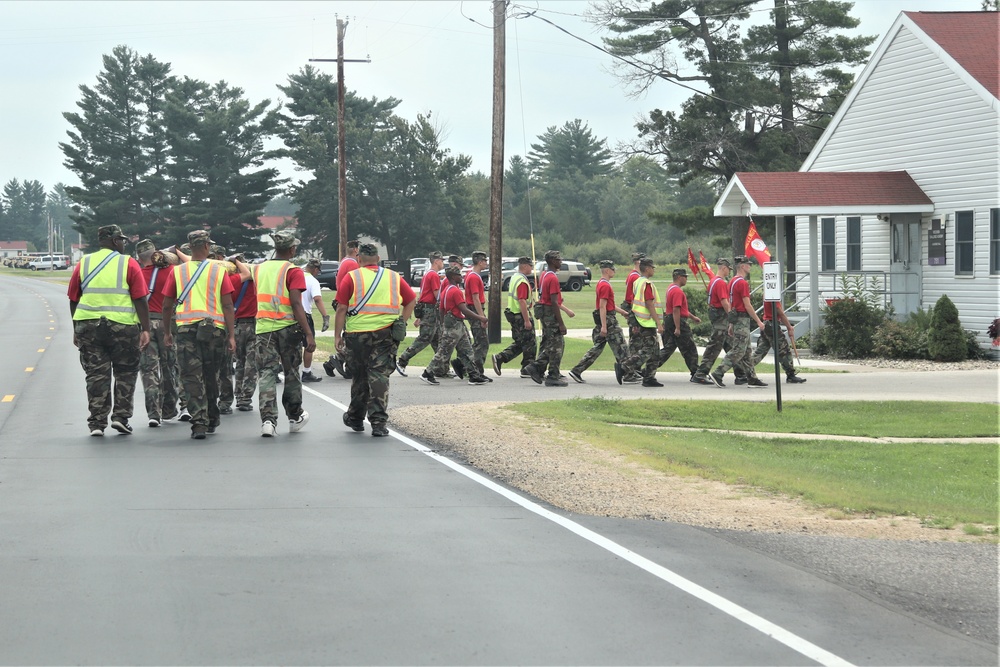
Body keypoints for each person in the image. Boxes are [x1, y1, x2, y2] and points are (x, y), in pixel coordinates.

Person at [68, 224, 151, 436]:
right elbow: (140, 298)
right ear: (115, 241)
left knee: (96, 375)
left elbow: (73, 299)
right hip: (122, 326)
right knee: (126, 372)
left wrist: (76, 327)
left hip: (88, 326)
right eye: (122, 239)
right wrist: (146, 329)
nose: (124, 243)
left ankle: (96, 423)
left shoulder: (83, 263)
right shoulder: (128, 263)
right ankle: (121, 417)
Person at [334, 243, 416, 436]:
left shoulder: (351, 277)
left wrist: (337, 335)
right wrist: (401, 321)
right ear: (378, 259)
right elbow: (411, 299)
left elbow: (341, 308)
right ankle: (378, 422)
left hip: (356, 335)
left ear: (359, 260)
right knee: (379, 376)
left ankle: (355, 417)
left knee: (360, 376)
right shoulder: (394, 277)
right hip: (385, 334)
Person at [161, 231, 237, 439]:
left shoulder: (177, 272)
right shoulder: (218, 270)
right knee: (211, 375)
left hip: (186, 331)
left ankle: (199, 423)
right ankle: (212, 417)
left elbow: (167, 305)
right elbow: (228, 305)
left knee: (191, 377)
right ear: (206, 246)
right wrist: (231, 335)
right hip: (215, 331)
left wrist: (167, 332)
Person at [253, 230, 316, 437]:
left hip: (263, 328)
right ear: (292, 249)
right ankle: (294, 415)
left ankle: (268, 421)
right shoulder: (294, 270)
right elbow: (296, 303)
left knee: (266, 373)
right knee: (291, 372)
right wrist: (308, 333)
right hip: (288, 328)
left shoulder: (259, 269)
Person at [567, 260, 639, 384]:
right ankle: (628, 374)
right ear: (607, 270)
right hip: (609, 320)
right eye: (612, 269)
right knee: (622, 347)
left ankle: (577, 370)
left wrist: (622, 312)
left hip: (607, 318)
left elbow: (609, 304)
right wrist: (604, 326)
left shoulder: (602, 283)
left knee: (597, 348)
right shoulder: (605, 285)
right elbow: (602, 307)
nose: (614, 271)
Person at [135, 239, 180, 426]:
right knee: (169, 367)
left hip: (144, 325)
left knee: (148, 370)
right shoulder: (171, 271)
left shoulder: (137, 274)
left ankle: (153, 413)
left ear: (139, 257)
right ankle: (169, 408)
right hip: (167, 323)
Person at [421, 266, 489, 386]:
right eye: (459, 275)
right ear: (453, 277)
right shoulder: (455, 291)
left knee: (466, 351)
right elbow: (464, 309)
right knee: (443, 351)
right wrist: (480, 317)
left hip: (454, 324)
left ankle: (474, 375)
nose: (461, 277)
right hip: (454, 325)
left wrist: (443, 325)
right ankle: (428, 372)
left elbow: (441, 309)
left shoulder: (446, 290)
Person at [710, 256, 767, 388]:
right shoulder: (742, 283)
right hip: (742, 319)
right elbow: (747, 305)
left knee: (746, 351)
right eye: (748, 264)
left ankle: (752, 378)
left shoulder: (732, 282)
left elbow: (732, 305)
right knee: (739, 350)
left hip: (737, 319)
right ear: (742, 266)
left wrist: (731, 323)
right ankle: (718, 373)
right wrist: (758, 321)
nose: (750, 267)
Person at [210, 244, 250, 414]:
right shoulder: (227, 279)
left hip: (202, 324)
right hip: (224, 325)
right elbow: (247, 274)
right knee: (226, 367)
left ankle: (209, 400)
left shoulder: (202, 277)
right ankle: (226, 401)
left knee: (207, 366)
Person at [527, 250, 575, 387]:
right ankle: (552, 375)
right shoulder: (552, 278)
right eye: (559, 260)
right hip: (550, 314)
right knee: (556, 346)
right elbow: (554, 302)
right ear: (553, 261)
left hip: (545, 312)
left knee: (552, 344)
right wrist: (561, 323)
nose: (561, 262)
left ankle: (537, 367)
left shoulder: (544, 275)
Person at [396, 250, 445, 376]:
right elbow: (436, 295)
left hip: (426, 308)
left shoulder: (428, 274)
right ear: (436, 261)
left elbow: (423, 294)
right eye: (441, 260)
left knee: (437, 339)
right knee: (425, 337)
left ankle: (441, 368)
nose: (443, 262)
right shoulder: (433, 275)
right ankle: (402, 360)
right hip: (430, 309)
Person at [492, 256, 536, 377]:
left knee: (520, 342)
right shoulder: (522, 281)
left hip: (513, 313)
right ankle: (527, 368)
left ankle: (500, 358)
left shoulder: (514, 277)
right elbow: (521, 300)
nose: (532, 268)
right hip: (520, 315)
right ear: (525, 266)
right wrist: (527, 320)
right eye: (531, 266)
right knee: (529, 343)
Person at [692, 258, 733, 385]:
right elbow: (724, 302)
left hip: (715, 315)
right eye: (728, 270)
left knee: (730, 345)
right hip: (721, 317)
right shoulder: (721, 283)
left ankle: (742, 373)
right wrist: (732, 316)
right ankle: (701, 373)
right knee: (715, 346)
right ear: (724, 268)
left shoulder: (713, 281)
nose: (729, 272)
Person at [655, 268, 702, 378]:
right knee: (690, 348)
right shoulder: (677, 291)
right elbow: (676, 310)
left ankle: (648, 369)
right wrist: (678, 328)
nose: (686, 279)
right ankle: (696, 373)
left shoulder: (671, 288)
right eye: (685, 277)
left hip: (670, 319)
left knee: (668, 348)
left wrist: (693, 317)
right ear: (679, 277)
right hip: (677, 321)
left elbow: (680, 309)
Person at [324, 239, 359, 379]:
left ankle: (334, 362)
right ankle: (344, 363)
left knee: (350, 335)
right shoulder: (352, 264)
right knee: (352, 336)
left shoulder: (344, 261)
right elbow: (356, 283)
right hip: (348, 303)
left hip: (341, 299)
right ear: (356, 250)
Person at [229, 250, 259, 412]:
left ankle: (238, 394)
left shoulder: (232, 280)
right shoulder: (255, 281)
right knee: (251, 363)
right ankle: (245, 397)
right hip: (253, 325)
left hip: (236, 325)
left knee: (239, 362)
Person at [751, 299, 807, 383]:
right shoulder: (773, 296)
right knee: (783, 350)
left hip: (766, 323)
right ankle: (790, 374)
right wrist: (789, 327)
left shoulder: (767, 294)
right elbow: (780, 312)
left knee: (761, 350)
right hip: (772, 324)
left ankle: (744, 369)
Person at [630, 257, 665, 387]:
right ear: (647, 269)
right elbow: (649, 304)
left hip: (641, 320)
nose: (653, 269)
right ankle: (625, 366)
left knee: (655, 353)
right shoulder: (647, 284)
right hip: (647, 322)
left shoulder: (637, 282)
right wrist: (659, 324)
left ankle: (649, 378)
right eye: (652, 267)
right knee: (648, 350)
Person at [301, 258, 330, 383]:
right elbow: (317, 299)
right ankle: (306, 372)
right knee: (309, 345)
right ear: (315, 269)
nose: (318, 273)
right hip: (305, 315)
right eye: (318, 270)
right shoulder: (312, 281)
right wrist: (325, 316)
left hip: (289, 315)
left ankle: (279, 370)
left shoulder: (295, 276)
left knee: (288, 344)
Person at [463, 251, 490, 379]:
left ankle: (463, 364)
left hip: (474, 308)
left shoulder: (472, 275)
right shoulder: (473, 277)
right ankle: (477, 371)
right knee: (482, 342)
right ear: (480, 262)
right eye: (485, 261)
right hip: (475, 309)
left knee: (478, 342)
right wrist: (482, 317)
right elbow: (475, 298)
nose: (486, 263)